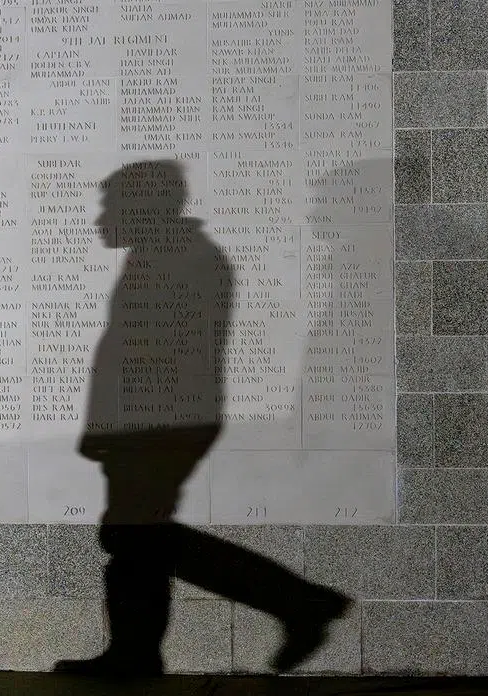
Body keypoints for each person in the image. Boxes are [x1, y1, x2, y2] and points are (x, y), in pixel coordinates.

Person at [52, 160, 350, 678]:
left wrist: (122, 429)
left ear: (144, 207)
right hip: (149, 424)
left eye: (113, 205)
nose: (102, 217)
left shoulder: (180, 259)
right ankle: (140, 652)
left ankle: (296, 602)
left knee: (135, 537)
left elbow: (158, 356)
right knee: (135, 539)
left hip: (156, 425)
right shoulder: (162, 256)